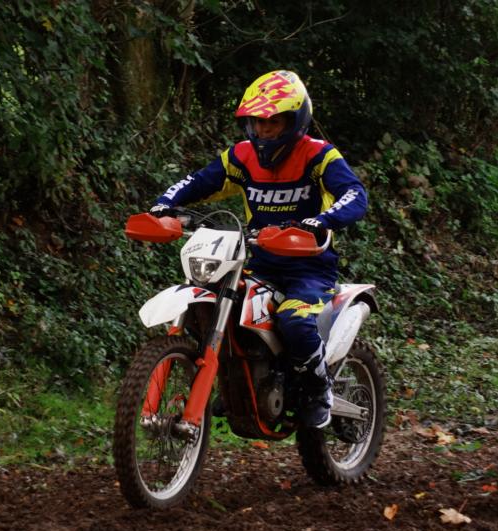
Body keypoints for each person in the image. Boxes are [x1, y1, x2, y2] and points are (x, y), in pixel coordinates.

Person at [149, 70, 368, 429]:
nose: (264, 131)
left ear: (295, 121)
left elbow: (355, 194)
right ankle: (236, 380)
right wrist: (164, 204)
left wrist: (321, 221)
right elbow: (199, 181)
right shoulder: (242, 157)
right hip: (259, 264)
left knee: (294, 321)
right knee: (213, 308)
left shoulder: (318, 156)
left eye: (273, 122)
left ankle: (319, 390)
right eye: (257, 122)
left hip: (310, 268)